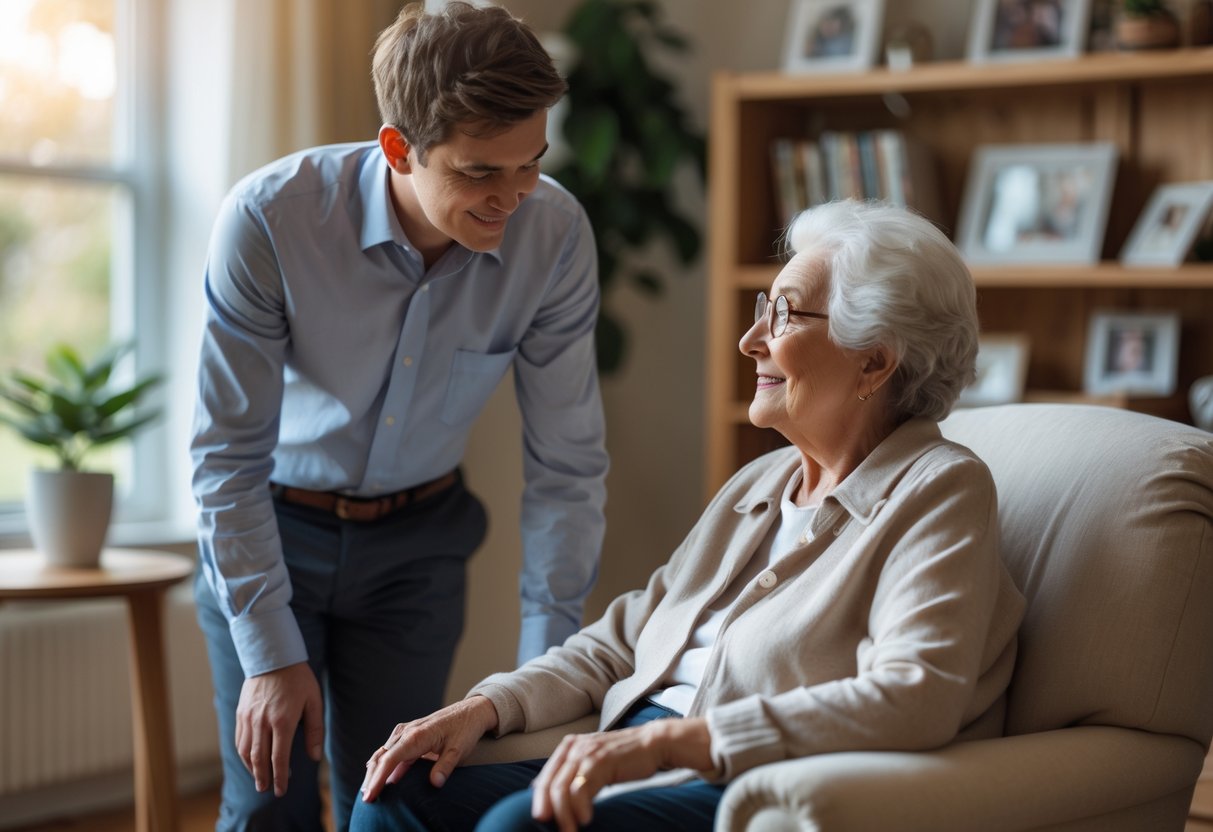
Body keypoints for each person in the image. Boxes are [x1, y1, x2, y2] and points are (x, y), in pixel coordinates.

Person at [349, 200, 1027, 832]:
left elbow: (914, 696)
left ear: (873, 362)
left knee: (521, 826)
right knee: (398, 791)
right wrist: (486, 705)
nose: (750, 340)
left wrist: (669, 744)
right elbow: (621, 641)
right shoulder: (761, 483)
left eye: (783, 314)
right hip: (631, 749)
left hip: (738, 778)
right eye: (761, 309)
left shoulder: (938, 490)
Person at [189, 3, 609, 830]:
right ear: (398, 148)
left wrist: (545, 676)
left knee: (393, 803)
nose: (512, 197)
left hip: (418, 551)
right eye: (480, 173)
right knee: (266, 808)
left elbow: (567, 464)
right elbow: (226, 455)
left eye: (530, 164)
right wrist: (269, 655)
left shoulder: (554, 235)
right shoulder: (270, 218)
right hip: (273, 532)